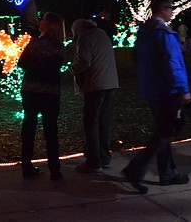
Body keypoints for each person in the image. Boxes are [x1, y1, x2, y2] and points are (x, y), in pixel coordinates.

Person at [121, 0, 191, 193]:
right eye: (171, 8)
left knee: (164, 132)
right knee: (163, 134)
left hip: (151, 89)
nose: (172, 12)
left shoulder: (145, 32)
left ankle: (168, 172)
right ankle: (137, 169)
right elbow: (173, 64)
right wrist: (183, 91)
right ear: (163, 9)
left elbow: (136, 58)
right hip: (166, 91)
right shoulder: (164, 34)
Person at [18, 11, 66, 181]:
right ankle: (55, 170)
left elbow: (21, 63)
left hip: (31, 89)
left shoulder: (34, 44)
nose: (40, 22)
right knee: (51, 130)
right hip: (51, 91)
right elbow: (60, 64)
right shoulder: (60, 47)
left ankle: (27, 167)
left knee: (29, 127)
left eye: (43, 20)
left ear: (48, 25)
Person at [71, 18, 119, 173]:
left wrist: (73, 69)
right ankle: (104, 157)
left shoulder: (85, 37)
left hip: (95, 85)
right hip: (111, 83)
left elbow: (84, 61)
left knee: (91, 122)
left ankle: (94, 161)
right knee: (105, 122)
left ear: (78, 29)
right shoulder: (102, 34)